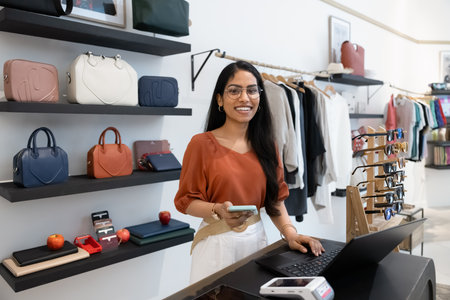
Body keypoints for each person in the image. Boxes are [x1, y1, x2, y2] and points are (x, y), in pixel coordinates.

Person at [174, 61, 324, 283]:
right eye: (234, 91)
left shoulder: (268, 146)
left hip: (256, 240)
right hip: (216, 243)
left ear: (260, 98)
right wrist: (218, 210)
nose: (245, 98)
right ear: (219, 100)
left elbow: (275, 200)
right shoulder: (201, 144)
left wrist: (291, 234)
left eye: (252, 90)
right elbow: (187, 201)